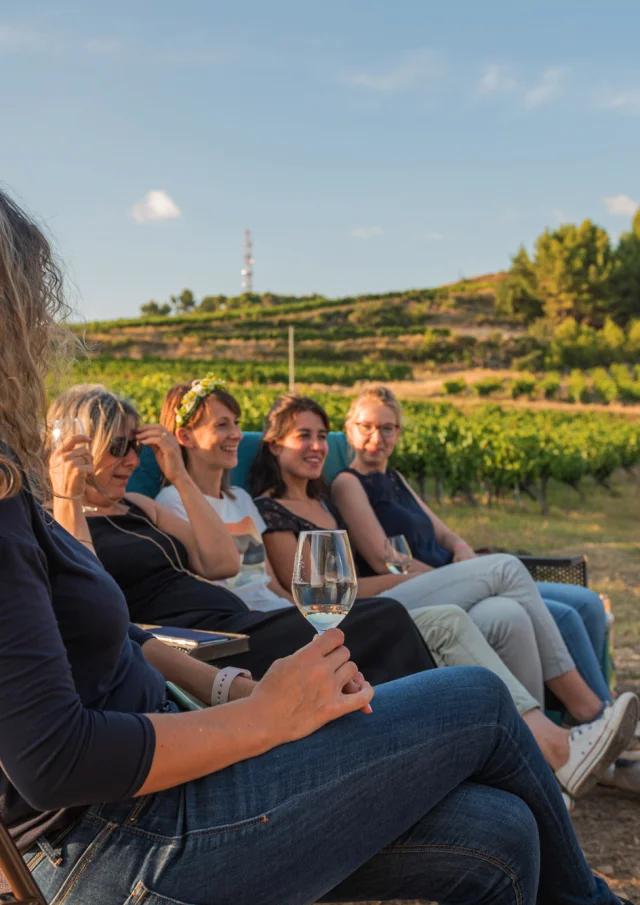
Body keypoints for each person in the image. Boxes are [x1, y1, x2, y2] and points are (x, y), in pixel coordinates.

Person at [2, 191, 637, 905]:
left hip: (175, 758)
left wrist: (232, 689)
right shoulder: (17, 504)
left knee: (503, 830)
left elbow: (122, 631)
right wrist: (261, 718)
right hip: (119, 840)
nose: (46, 331)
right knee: (479, 698)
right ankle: (570, 768)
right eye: (34, 309)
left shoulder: (35, 497)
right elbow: (53, 762)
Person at [249, 392, 638, 797]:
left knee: (506, 615)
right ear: (274, 444)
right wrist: (435, 576)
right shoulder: (276, 508)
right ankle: (589, 712)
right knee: (506, 569)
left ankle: (542, 762)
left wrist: (456, 555)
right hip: (372, 607)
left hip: (391, 590)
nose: (316, 446)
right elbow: (320, 592)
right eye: (303, 436)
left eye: (320, 436)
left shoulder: (323, 500)